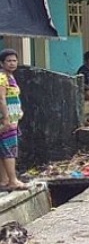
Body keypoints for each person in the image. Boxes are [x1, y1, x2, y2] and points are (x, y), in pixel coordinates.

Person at [0, 49, 26, 191]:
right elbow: (1, 99)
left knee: (3, 148)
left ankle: (4, 180)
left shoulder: (10, 76)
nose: (12, 63)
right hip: (7, 119)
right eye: (8, 61)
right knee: (10, 148)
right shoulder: (2, 77)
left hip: (13, 117)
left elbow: (13, 97)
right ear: (2, 63)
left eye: (14, 60)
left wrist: (18, 112)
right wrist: (6, 118)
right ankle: (13, 180)